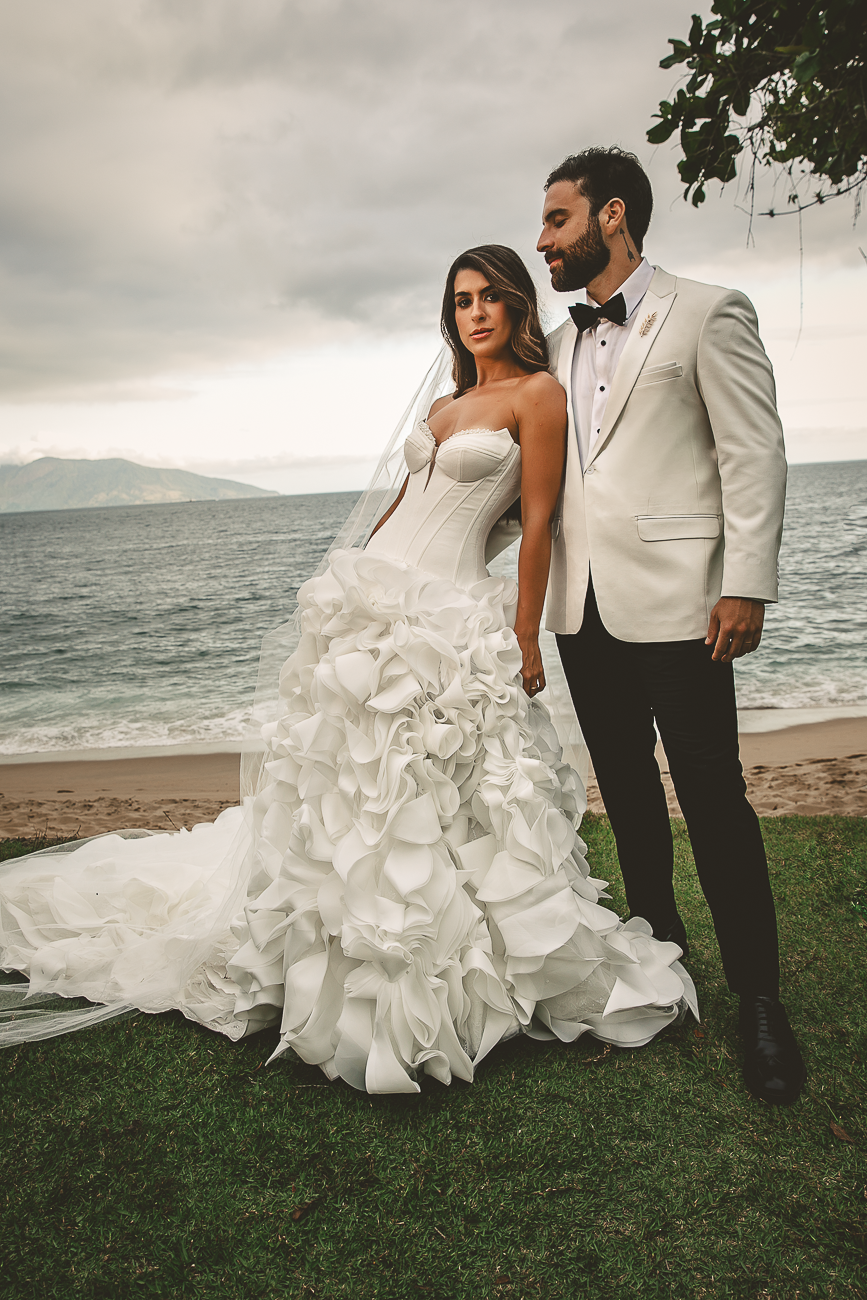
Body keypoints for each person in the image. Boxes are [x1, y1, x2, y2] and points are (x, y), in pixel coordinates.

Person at [0, 245, 696, 1093]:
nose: (474, 313)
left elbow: (539, 522)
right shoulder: (447, 403)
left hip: (446, 615)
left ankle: (425, 961)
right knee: (347, 788)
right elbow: (402, 506)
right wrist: (348, 588)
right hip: (373, 602)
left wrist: (522, 634)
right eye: (460, 301)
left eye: (489, 298)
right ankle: (325, 947)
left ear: (517, 308)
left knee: (425, 790)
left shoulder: (535, 395)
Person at [536, 147, 806, 1106]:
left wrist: (746, 584)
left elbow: (753, 453)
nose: (543, 241)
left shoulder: (707, 311)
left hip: (686, 607)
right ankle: (660, 970)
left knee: (715, 802)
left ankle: (761, 1005)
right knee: (628, 800)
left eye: (558, 220)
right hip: (584, 612)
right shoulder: (556, 345)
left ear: (613, 217)